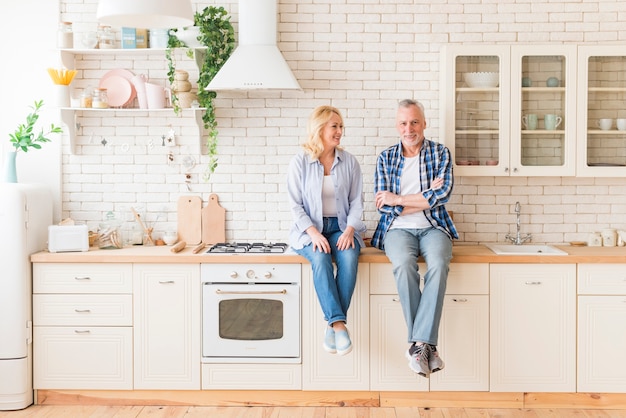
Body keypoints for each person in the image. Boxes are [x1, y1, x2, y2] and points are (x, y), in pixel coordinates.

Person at [372, 99, 458, 377]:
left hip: (435, 227)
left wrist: (398, 198)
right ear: (397, 126)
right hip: (396, 229)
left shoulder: (440, 153)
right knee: (404, 265)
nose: (409, 129)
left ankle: (418, 345)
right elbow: (385, 207)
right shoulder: (386, 158)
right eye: (403, 123)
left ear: (424, 123)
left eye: (414, 122)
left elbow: (442, 195)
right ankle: (426, 347)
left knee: (438, 264)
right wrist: (422, 198)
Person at [288, 105, 366, 356]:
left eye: (341, 126)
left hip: (342, 227)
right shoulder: (300, 161)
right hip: (310, 229)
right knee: (320, 258)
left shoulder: (350, 162)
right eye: (335, 126)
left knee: (350, 256)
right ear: (320, 128)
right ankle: (339, 325)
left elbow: (357, 202)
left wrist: (349, 230)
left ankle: (333, 325)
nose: (340, 131)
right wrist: (313, 233)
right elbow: (294, 204)